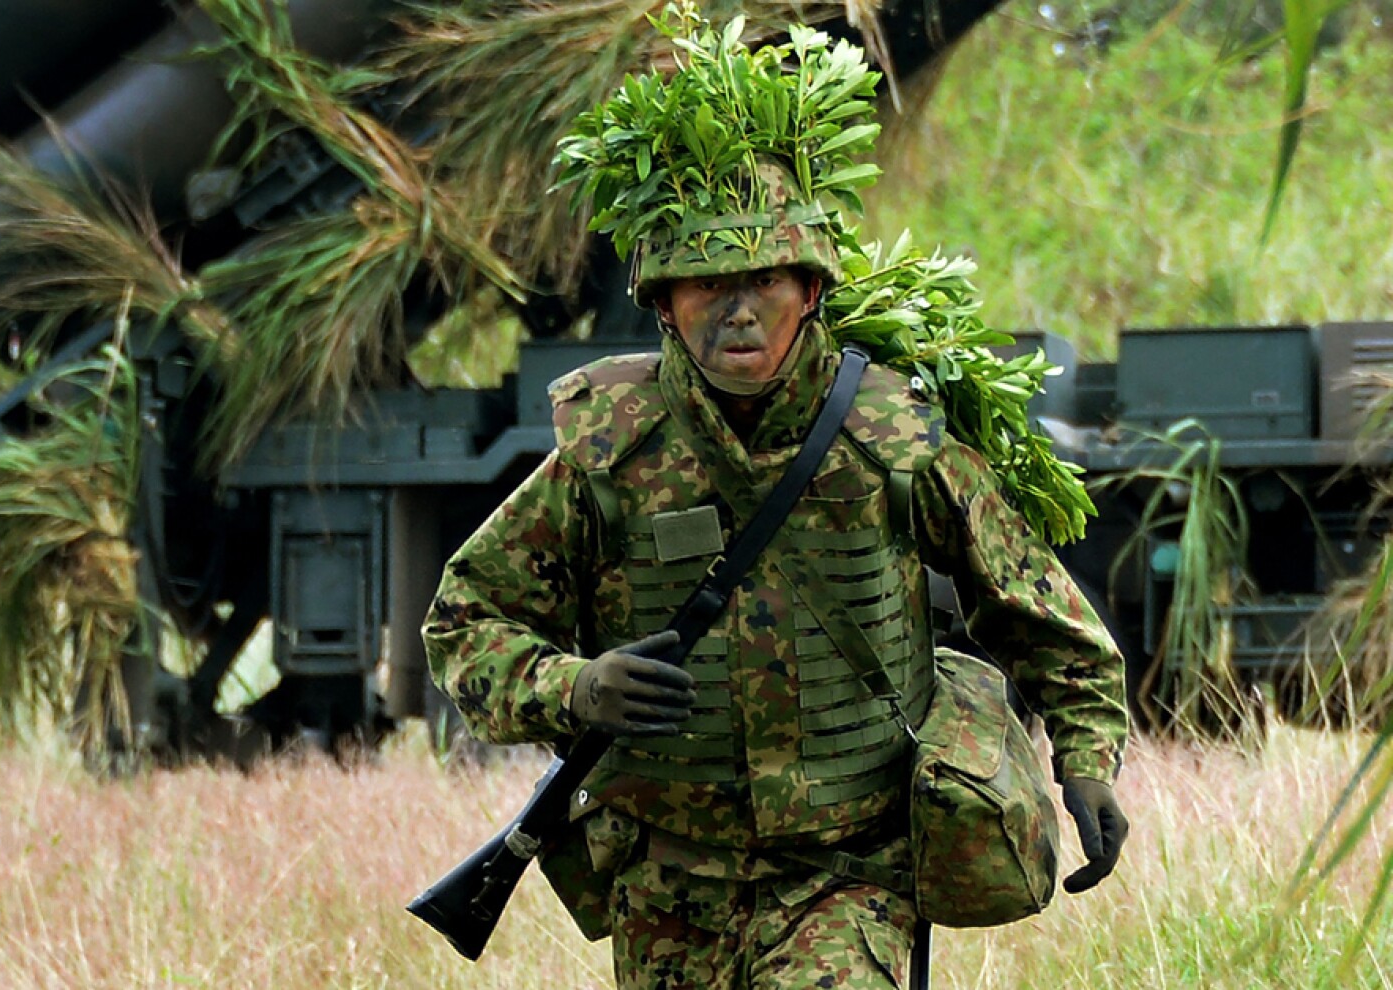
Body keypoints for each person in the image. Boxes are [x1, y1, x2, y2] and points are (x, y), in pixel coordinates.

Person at [424, 25, 1127, 987]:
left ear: (810, 290)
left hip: (849, 876)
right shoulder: (610, 456)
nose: (738, 309)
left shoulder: (894, 444)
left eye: (762, 280)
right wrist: (578, 688)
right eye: (708, 284)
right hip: (668, 888)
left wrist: (1085, 758)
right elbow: (463, 628)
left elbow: (1038, 611)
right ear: (664, 304)